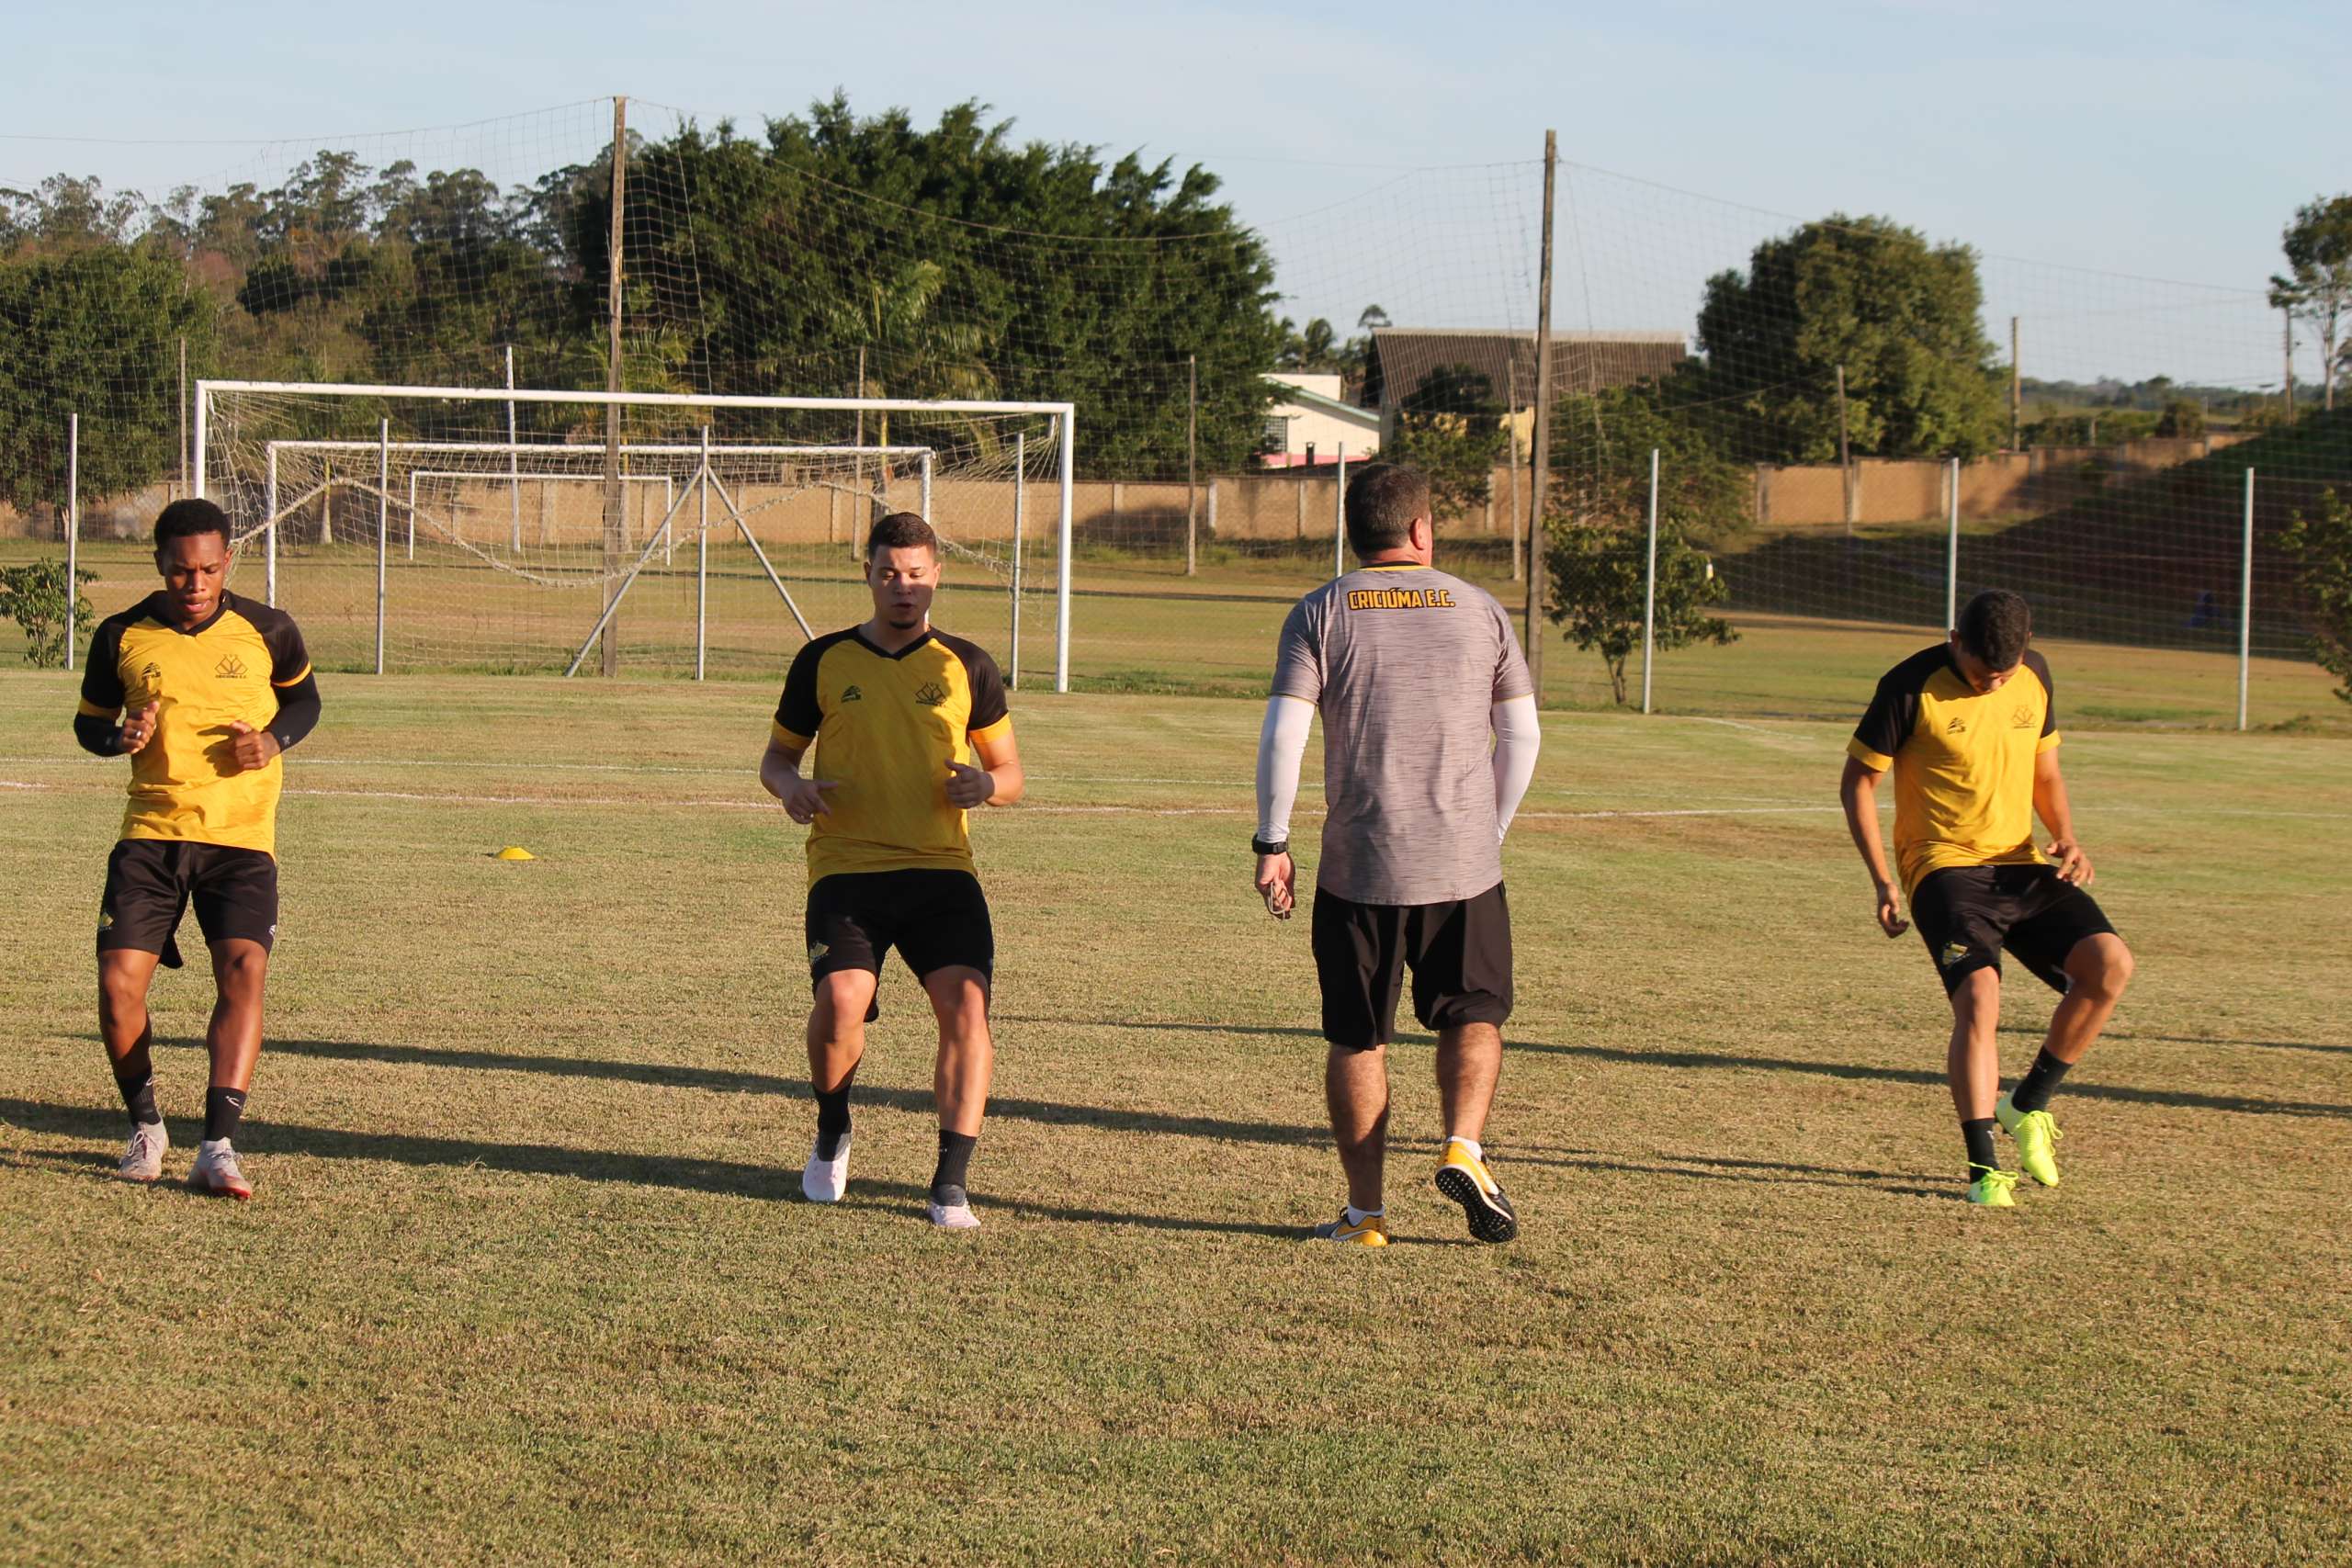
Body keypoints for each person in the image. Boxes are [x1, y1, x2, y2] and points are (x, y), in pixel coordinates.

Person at [1253, 463, 1542, 1246]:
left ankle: (1366, 1215)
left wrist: (1272, 840)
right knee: (1473, 1014)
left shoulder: (1322, 610)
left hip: (1360, 865)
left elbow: (1286, 733)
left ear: (1355, 533)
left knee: (1358, 1035)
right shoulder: (1481, 609)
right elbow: (1521, 736)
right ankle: (1463, 1145)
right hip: (1463, 864)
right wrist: (1492, 827)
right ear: (1422, 530)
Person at [760, 511, 1023, 1230]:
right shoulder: (823, 659)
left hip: (942, 872)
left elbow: (1011, 771)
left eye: (915, 573)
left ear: (936, 574)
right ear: (868, 575)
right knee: (842, 1002)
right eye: (888, 573)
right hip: (847, 871)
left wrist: (986, 786)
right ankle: (833, 1127)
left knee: (966, 1009)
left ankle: (950, 1185)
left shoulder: (967, 664)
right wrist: (793, 790)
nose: (903, 587)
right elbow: (776, 759)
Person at [1839, 589, 2135, 1207]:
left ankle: (2027, 1104)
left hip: (2020, 863)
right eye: (1980, 673)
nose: (1993, 683)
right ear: (1956, 641)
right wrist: (1883, 878)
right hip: (1944, 868)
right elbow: (1859, 782)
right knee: (1980, 998)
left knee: (2109, 967)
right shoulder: (1909, 685)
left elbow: (2045, 771)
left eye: (2004, 673)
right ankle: (1984, 1169)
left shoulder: (2036, 676)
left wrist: (2067, 836)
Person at [74, 499, 322, 1200]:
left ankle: (217, 1145)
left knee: (244, 970)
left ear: (227, 562)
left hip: (241, 838)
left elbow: (305, 703)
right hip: (151, 835)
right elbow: (88, 723)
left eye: (210, 568)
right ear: (159, 565)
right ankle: (147, 1126)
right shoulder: (122, 634)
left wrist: (272, 739)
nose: (197, 583)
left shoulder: (268, 629)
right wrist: (118, 737)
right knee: (118, 982)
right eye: (183, 571)